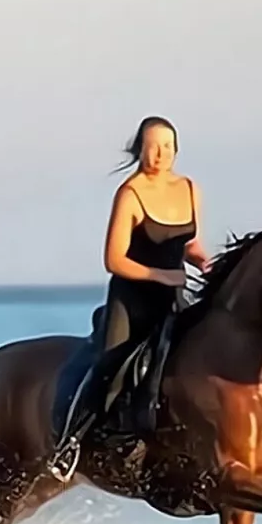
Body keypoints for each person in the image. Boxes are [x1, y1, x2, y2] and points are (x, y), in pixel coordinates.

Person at [49, 115, 211, 480]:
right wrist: (162, 275)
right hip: (132, 298)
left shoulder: (188, 188)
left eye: (167, 146)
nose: (160, 154)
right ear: (139, 148)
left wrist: (206, 263)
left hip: (172, 296)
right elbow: (114, 259)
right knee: (111, 364)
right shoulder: (130, 193)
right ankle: (70, 444)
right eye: (152, 146)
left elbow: (188, 243)